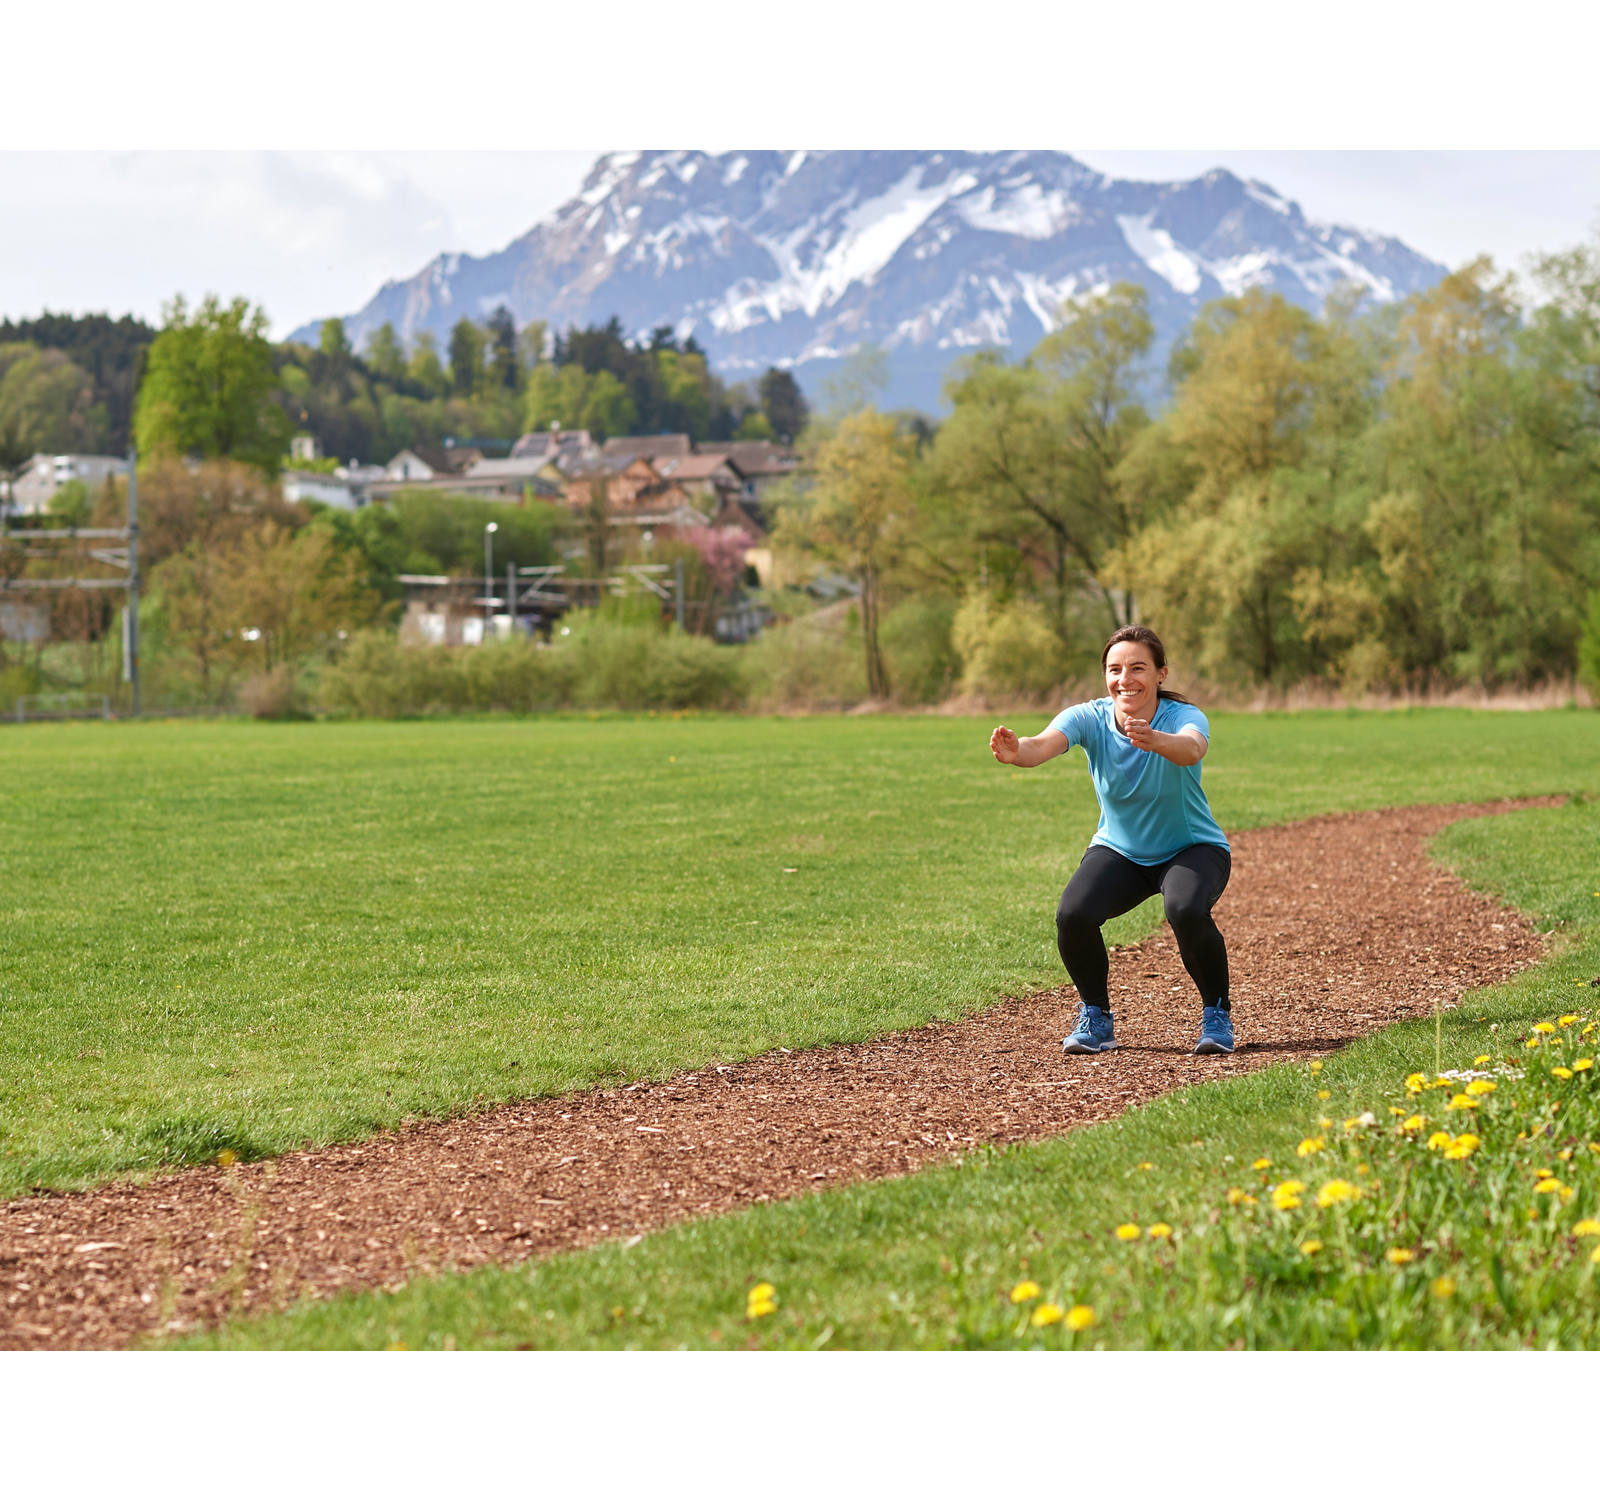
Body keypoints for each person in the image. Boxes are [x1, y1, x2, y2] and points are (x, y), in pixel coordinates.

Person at [988, 625, 1234, 1056]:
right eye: (1115, 669)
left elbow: (1192, 750)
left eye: (1138, 667)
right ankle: (1096, 1019)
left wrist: (1155, 739)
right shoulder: (1088, 717)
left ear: (1161, 674)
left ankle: (1216, 1015)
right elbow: (1040, 745)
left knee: (1184, 908)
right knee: (1073, 914)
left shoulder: (1183, 718)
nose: (1125, 679)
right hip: (1121, 850)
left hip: (1192, 847)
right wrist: (1017, 752)